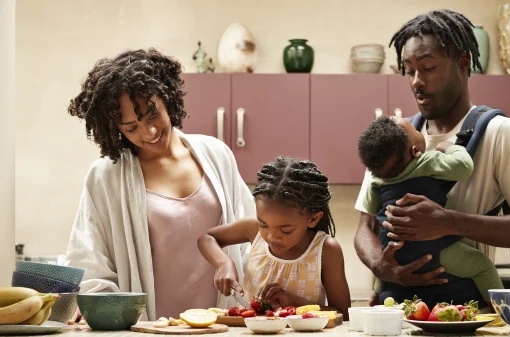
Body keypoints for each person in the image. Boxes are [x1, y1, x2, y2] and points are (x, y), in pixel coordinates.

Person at [353, 9, 510, 308]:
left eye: (428, 67)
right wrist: (381, 268)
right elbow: (365, 227)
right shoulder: (394, 139)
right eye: (409, 70)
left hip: (468, 316)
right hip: (401, 314)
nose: (416, 82)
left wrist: (449, 222)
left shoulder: (499, 133)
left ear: (462, 63)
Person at [64, 48, 255, 321]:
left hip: (222, 324)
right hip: (148, 328)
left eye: (152, 115)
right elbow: (88, 259)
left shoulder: (217, 155)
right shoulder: (106, 176)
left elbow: (253, 241)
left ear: (166, 98)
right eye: (131, 128)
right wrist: (96, 306)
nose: (149, 132)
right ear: (116, 130)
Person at [357, 115, 503, 306]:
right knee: (482, 266)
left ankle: (377, 293)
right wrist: (450, 148)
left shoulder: (376, 180)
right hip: (435, 250)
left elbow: (371, 208)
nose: (421, 132)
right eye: (416, 131)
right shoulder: (426, 162)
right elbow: (463, 167)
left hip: (394, 251)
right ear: (415, 151)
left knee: (386, 259)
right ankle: (502, 308)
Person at [198, 157, 351, 320]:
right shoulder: (252, 229)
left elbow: (343, 314)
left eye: (286, 230)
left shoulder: (325, 250)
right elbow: (207, 238)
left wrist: (293, 302)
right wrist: (224, 263)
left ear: (313, 219)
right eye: (263, 225)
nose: (271, 237)